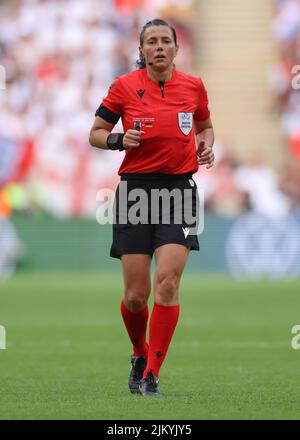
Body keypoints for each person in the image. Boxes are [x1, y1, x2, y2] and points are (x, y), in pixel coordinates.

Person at [89, 18, 214, 397]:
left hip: (179, 192)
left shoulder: (193, 87)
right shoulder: (123, 87)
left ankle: (152, 375)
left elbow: (205, 125)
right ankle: (139, 353)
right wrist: (118, 140)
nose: (159, 47)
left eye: (165, 41)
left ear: (177, 48)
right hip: (135, 194)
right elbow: (94, 133)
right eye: (151, 42)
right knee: (135, 296)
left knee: (169, 283)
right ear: (141, 51)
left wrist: (207, 143)